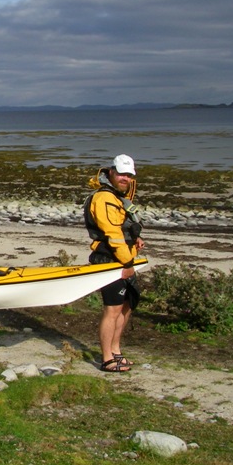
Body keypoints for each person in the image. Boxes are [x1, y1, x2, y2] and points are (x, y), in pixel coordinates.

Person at [84, 154, 145, 372]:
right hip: (109, 260)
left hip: (124, 258)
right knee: (112, 309)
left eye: (129, 175)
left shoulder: (119, 197)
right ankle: (107, 358)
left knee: (127, 307)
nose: (125, 178)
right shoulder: (104, 198)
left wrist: (135, 239)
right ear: (111, 172)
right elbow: (112, 233)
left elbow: (123, 226)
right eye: (121, 174)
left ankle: (116, 351)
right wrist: (127, 263)